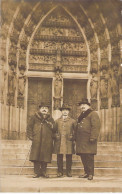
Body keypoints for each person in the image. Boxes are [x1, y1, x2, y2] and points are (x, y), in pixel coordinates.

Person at [27, 102, 55, 178]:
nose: (44, 110)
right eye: (42, 108)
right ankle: (36, 172)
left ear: (48, 110)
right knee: (36, 156)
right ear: (39, 109)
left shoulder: (50, 119)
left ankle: (43, 172)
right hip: (37, 140)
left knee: (45, 156)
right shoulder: (34, 117)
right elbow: (29, 127)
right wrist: (31, 136)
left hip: (47, 140)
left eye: (46, 108)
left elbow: (54, 129)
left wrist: (52, 136)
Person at [75, 98, 101, 180]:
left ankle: (90, 174)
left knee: (89, 157)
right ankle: (86, 172)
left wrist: (93, 137)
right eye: (81, 105)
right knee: (83, 156)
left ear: (88, 106)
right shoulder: (81, 115)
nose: (82, 106)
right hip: (81, 140)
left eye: (84, 105)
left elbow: (96, 126)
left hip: (89, 139)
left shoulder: (93, 114)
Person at [53, 104, 76, 177]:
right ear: (61, 111)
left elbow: (76, 131)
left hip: (68, 141)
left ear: (68, 112)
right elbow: (53, 131)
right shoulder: (57, 121)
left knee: (69, 157)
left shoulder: (73, 121)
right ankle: (60, 171)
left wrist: (72, 137)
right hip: (59, 141)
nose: (65, 112)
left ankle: (68, 171)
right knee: (59, 156)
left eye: (66, 110)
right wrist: (56, 136)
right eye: (63, 110)